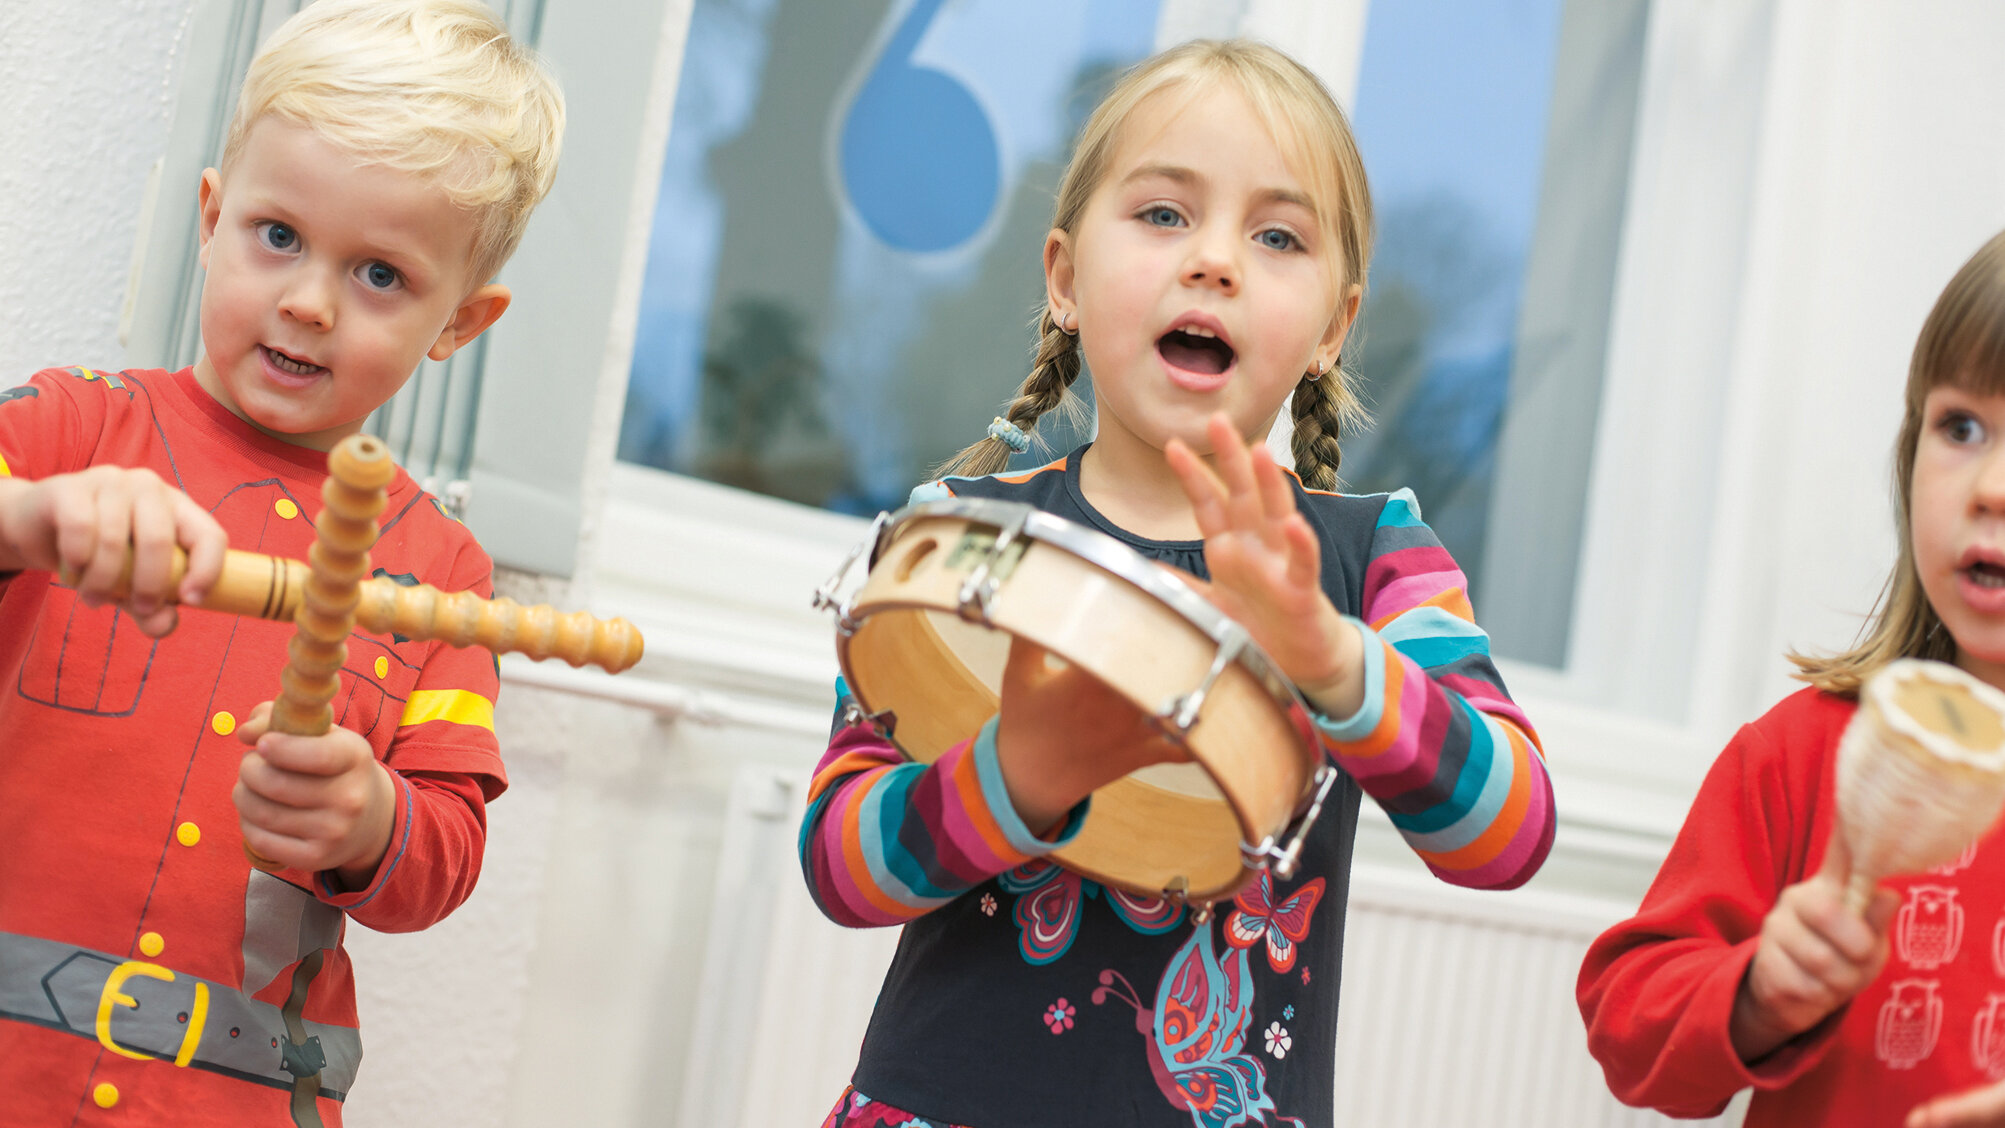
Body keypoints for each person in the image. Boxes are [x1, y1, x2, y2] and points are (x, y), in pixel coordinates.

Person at [799, 39, 1555, 1128]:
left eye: (1278, 236)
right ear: (1063, 277)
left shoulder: (1375, 557)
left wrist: (1332, 660)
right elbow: (838, 862)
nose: (1214, 261)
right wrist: (1021, 775)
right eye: (1163, 215)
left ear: (1333, 329)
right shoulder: (958, 534)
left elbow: (1511, 832)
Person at [0, 2, 563, 1123]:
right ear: (211, 216)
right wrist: (37, 520)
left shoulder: (442, 576)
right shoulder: (68, 431)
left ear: (461, 321)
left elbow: (445, 848)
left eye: (381, 277)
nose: (308, 300)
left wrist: (370, 827)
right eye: (278, 236)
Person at [1578, 230, 2005, 1128]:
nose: (1990, 486)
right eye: (1960, 427)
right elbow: (1628, 1023)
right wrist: (1758, 993)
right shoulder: (1803, 749)